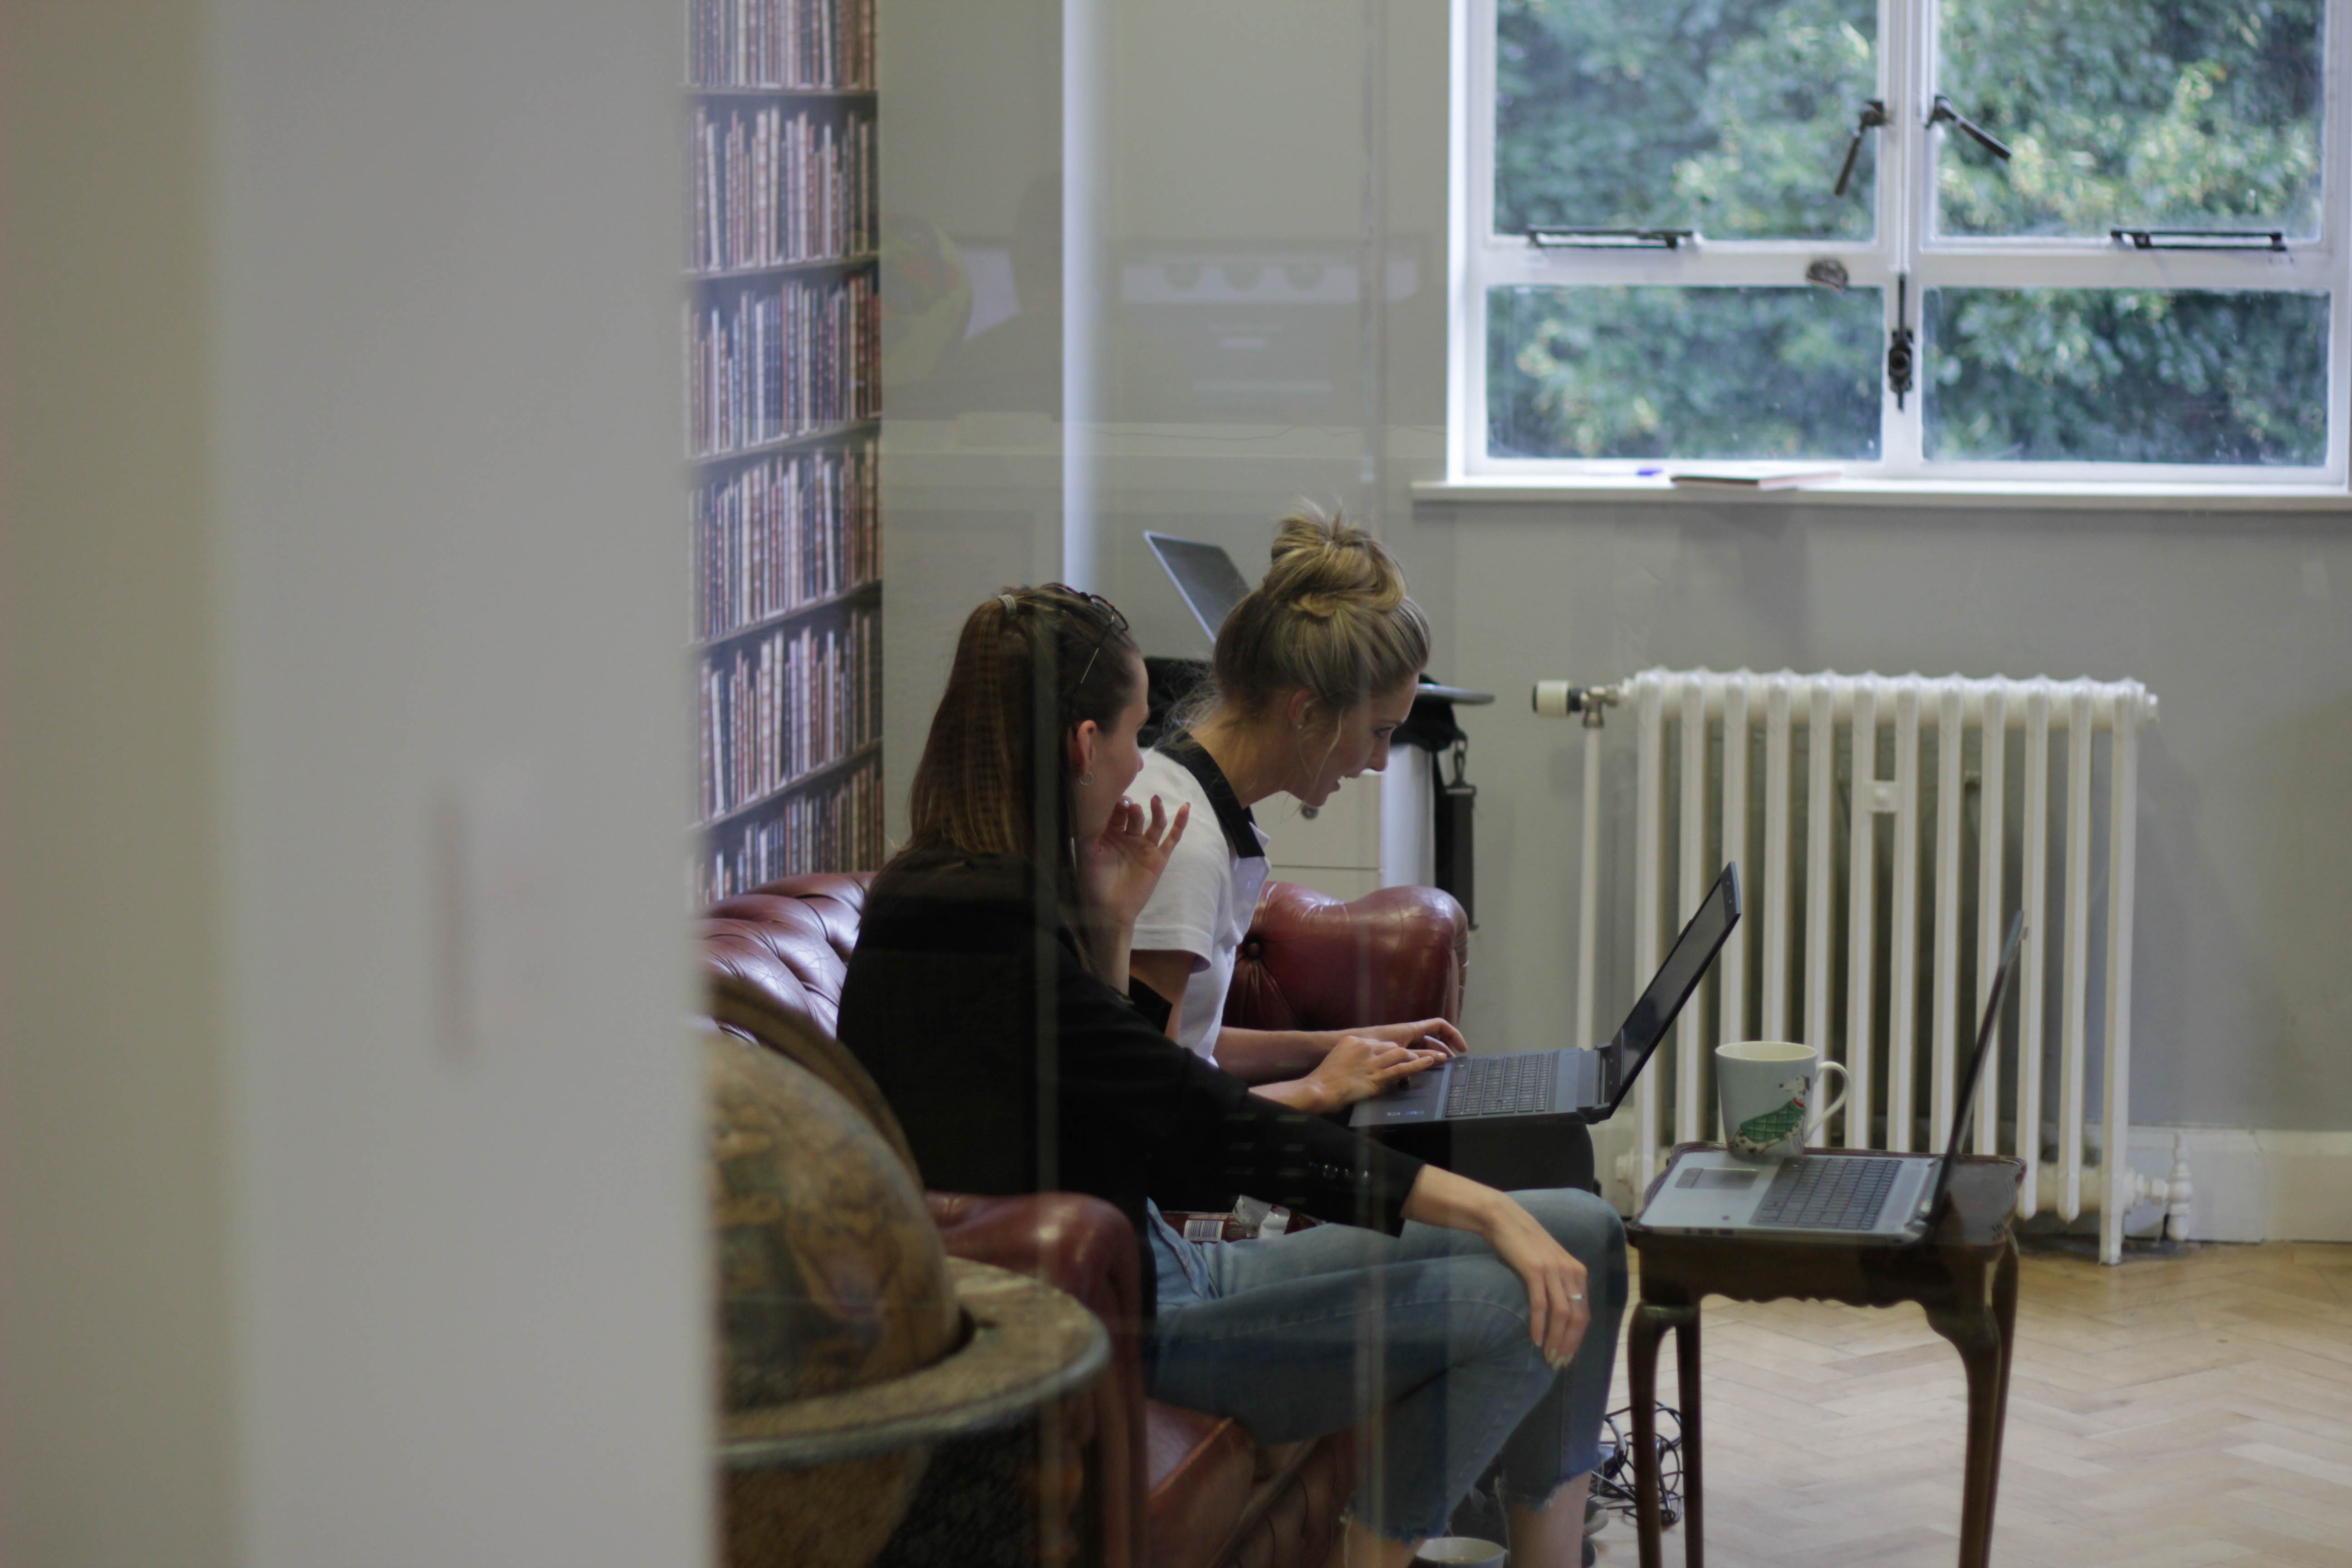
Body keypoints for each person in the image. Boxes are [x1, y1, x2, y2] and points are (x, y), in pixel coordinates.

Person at [836, 584, 1624, 1568]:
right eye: (1134, 736)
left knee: (1584, 1232)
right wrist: (1486, 1210)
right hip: (1142, 1326)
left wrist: (1115, 925)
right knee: (1516, 1294)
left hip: (1167, 1264)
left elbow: (1116, 1096)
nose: (1145, 766)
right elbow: (1204, 1122)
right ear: (1085, 746)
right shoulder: (977, 937)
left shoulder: (969, 895)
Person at [1128, 510, 1598, 1193]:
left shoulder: (1200, 807)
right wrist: (1320, 1090)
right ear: (1306, 711)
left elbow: (1186, 1051)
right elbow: (1160, 1118)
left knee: (1529, 1136)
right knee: (1537, 1157)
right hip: (1177, 1185)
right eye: (1378, 731)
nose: (1379, 761)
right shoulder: (1185, 845)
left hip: (1204, 1136)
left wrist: (1344, 1048)